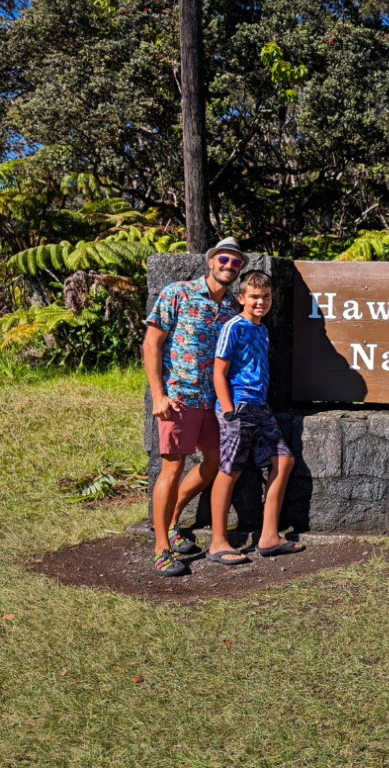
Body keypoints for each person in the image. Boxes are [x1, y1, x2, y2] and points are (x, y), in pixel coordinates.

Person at [142, 237, 244, 576]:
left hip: (213, 402)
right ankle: (161, 548)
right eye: (225, 259)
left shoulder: (232, 309)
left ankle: (172, 521)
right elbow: (152, 344)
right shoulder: (178, 293)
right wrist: (158, 395)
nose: (229, 266)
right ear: (212, 260)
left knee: (213, 462)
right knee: (171, 469)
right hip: (179, 398)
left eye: (236, 263)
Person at [206, 270, 304, 565]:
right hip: (237, 406)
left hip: (260, 408)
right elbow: (219, 371)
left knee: (284, 460)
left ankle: (269, 536)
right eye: (254, 297)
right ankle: (217, 542)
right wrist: (227, 410)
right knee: (230, 469)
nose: (261, 302)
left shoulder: (261, 329)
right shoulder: (233, 327)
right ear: (241, 299)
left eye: (266, 297)